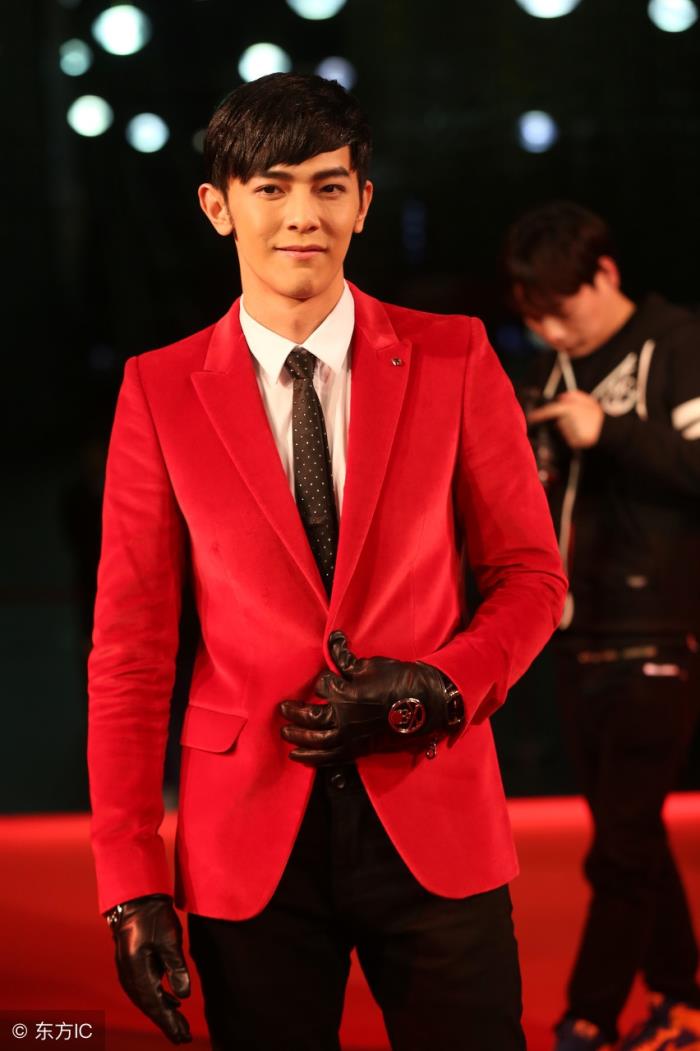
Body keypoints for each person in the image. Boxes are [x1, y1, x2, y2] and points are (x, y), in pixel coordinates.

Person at [87, 73, 566, 1051]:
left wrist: (441, 684)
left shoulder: (454, 355)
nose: (302, 214)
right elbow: (130, 653)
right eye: (271, 187)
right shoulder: (158, 389)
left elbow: (531, 575)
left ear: (363, 202)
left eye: (328, 185)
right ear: (218, 206)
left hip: (433, 805)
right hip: (246, 840)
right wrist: (130, 880)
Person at [504, 200, 700, 1051]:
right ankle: (684, 1002)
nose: (552, 330)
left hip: (660, 630)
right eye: (535, 317)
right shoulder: (548, 370)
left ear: (606, 273)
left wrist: (609, 430)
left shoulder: (676, 342)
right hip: (572, 633)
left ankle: (587, 1015)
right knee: (633, 835)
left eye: (562, 309)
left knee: (619, 845)